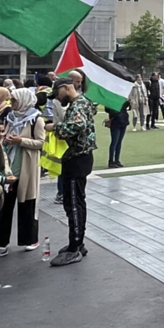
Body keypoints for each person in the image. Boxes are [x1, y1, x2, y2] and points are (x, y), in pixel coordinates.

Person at [49, 78, 96, 267]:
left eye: (58, 94)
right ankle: (77, 242)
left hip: (77, 158)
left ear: (67, 88)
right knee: (75, 201)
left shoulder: (77, 105)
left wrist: (55, 127)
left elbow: (77, 126)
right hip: (80, 157)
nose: (57, 99)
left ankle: (75, 246)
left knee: (74, 204)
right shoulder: (83, 102)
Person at [0, 88, 45, 253]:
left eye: (14, 100)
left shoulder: (36, 119)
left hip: (26, 168)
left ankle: (30, 239)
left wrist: (21, 140)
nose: (11, 104)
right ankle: (1, 243)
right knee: (5, 206)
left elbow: (40, 143)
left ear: (23, 100)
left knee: (27, 203)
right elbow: (6, 135)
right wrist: (7, 140)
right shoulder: (11, 117)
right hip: (9, 167)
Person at [104, 101, 129, 169]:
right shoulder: (111, 99)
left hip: (123, 120)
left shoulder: (123, 97)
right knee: (114, 141)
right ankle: (111, 161)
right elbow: (107, 109)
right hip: (116, 121)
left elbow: (128, 105)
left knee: (119, 141)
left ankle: (117, 160)